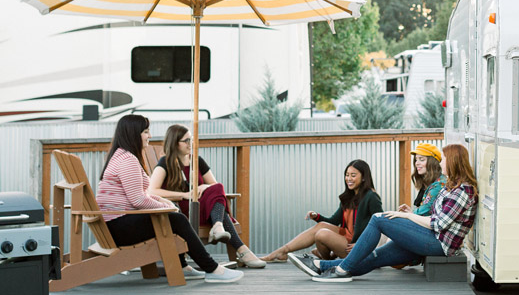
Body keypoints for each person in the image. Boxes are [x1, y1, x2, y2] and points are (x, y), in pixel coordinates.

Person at [289, 143, 477, 282]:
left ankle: (341, 270)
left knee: (379, 219)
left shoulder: (463, 191)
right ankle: (320, 266)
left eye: (443, 159)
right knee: (375, 257)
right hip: (430, 237)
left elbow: (439, 224)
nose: (440, 162)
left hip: (439, 245)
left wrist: (407, 216)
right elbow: (435, 218)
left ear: (452, 161)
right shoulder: (452, 187)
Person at [95, 114, 243, 284]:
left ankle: (183, 266)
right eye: (145, 131)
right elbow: (137, 200)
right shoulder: (127, 160)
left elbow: (139, 196)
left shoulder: (122, 156)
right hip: (120, 228)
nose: (149, 136)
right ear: (133, 133)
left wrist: (163, 202)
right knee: (177, 219)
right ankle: (212, 269)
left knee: (174, 217)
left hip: (118, 223)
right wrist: (166, 206)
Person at [147, 124, 265, 269]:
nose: (191, 144)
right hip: (184, 212)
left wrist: (205, 186)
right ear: (175, 142)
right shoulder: (165, 163)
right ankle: (241, 249)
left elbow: (215, 185)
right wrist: (184, 194)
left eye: (192, 140)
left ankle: (217, 226)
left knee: (218, 188)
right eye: (186, 141)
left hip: (203, 209)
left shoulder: (197, 160)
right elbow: (152, 191)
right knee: (221, 210)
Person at [263, 159, 382, 263]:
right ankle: (282, 251)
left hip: (357, 247)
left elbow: (380, 225)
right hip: (346, 237)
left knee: (322, 234)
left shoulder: (371, 197)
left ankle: (326, 258)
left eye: (353, 175)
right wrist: (316, 216)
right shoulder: (349, 197)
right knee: (321, 226)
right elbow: (334, 221)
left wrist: (363, 244)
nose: (348, 179)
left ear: (364, 178)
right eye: (347, 175)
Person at [404, 143, 447, 216]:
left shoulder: (439, 184)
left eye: (422, 159)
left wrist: (408, 214)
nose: (417, 163)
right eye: (416, 160)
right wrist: (410, 211)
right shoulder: (427, 183)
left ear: (433, 163)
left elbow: (425, 211)